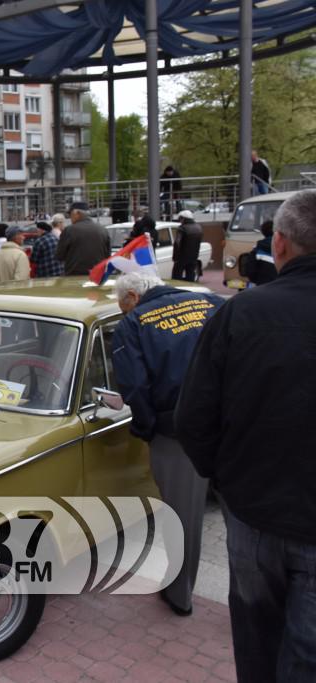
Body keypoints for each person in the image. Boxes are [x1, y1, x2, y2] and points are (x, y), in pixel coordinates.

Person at [175, 190, 316, 681]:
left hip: (254, 515)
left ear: (278, 244)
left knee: (256, 646)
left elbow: (193, 417)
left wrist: (226, 479)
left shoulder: (241, 314)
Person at [111, 271, 224, 617]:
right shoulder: (211, 302)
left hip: (178, 429)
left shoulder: (133, 324)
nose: (122, 310)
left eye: (122, 304)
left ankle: (180, 596)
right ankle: (260, 595)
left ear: (132, 296)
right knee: (242, 511)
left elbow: (134, 387)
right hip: (230, 418)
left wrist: (147, 428)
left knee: (183, 515)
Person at [56, 201, 109, 276]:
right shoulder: (103, 230)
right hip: (97, 276)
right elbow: (107, 255)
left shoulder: (69, 230)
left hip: (74, 277)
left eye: (70, 215)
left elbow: (59, 255)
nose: (70, 218)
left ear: (77, 214)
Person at [240, 219, 277, 286]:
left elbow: (250, 271)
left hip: (263, 286)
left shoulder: (257, 250)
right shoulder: (287, 249)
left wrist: (259, 281)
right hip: (281, 287)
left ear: (263, 232)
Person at [172, 210, 203, 281]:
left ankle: (178, 290)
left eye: (180, 218)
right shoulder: (198, 228)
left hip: (181, 257)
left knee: (176, 276)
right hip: (194, 257)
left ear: (183, 218)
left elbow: (177, 243)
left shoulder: (182, 228)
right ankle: (190, 289)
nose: (180, 221)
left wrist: (175, 257)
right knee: (190, 275)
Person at [30, 214, 65, 278]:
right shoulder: (55, 237)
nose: (36, 232)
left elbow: (33, 260)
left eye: (37, 230)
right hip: (59, 271)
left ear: (41, 230)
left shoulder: (39, 241)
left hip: (46, 274)